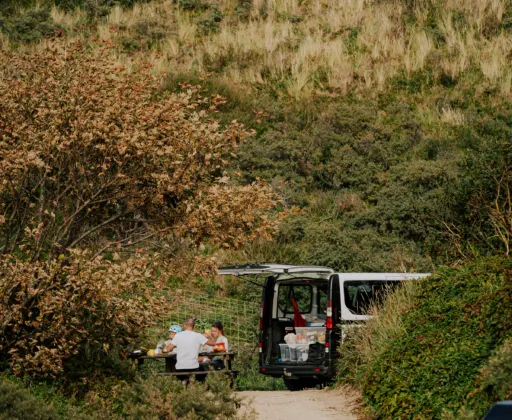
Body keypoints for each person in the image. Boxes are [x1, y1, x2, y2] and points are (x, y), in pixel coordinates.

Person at [164, 318, 216, 386]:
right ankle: (201, 386)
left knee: (181, 370)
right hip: (193, 368)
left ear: (184, 326)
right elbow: (213, 343)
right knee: (202, 367)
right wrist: (209, 335)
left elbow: (168, 349)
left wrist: (164, 348)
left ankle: (185, 382)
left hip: (180, 368)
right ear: (194, 326)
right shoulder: (198, 335)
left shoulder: (178, 335)